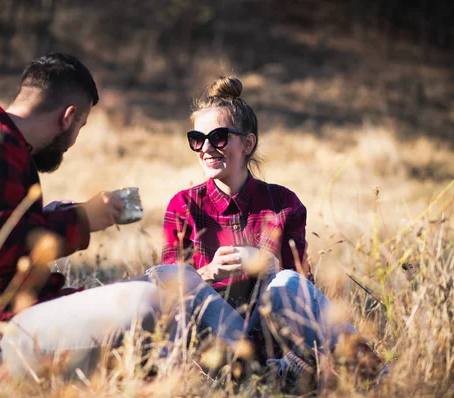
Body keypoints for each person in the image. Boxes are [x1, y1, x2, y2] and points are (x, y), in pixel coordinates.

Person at [0, 53, 249, 382]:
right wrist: (82, 219)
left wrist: (57, 217)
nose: (74, 138)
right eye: (80, 125)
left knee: (176, 277)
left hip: (13, 317)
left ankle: (259, 364)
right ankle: (188, 378)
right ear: (68, 117)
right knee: (147, 302)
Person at [160, 76, 382, 390]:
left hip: (269, 332)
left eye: (219, 137)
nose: (206, 148)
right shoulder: (183, 206)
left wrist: (271, 268)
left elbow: (302, 296)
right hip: (212, 339)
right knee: (163, 276)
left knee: (288, 281)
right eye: (197, 139)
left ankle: (376, 376)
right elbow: (167, 295)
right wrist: (206, 273)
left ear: (248, 143)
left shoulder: (283, 204)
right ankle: (261, 374)